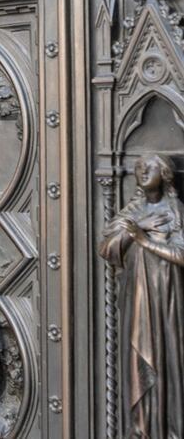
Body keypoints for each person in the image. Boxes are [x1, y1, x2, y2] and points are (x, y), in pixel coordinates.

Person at [99, 154, 184, 439]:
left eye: (150, 166)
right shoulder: (132, 211)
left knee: (168, 361)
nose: (142, 170)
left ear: (165, 173)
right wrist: (140, 228)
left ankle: (169, 429)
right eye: (138, 166)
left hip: (168, 301)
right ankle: (141, 430)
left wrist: (145, 240)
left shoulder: (176, 211)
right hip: (136, 300)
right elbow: (107, 247)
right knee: (138, 362)